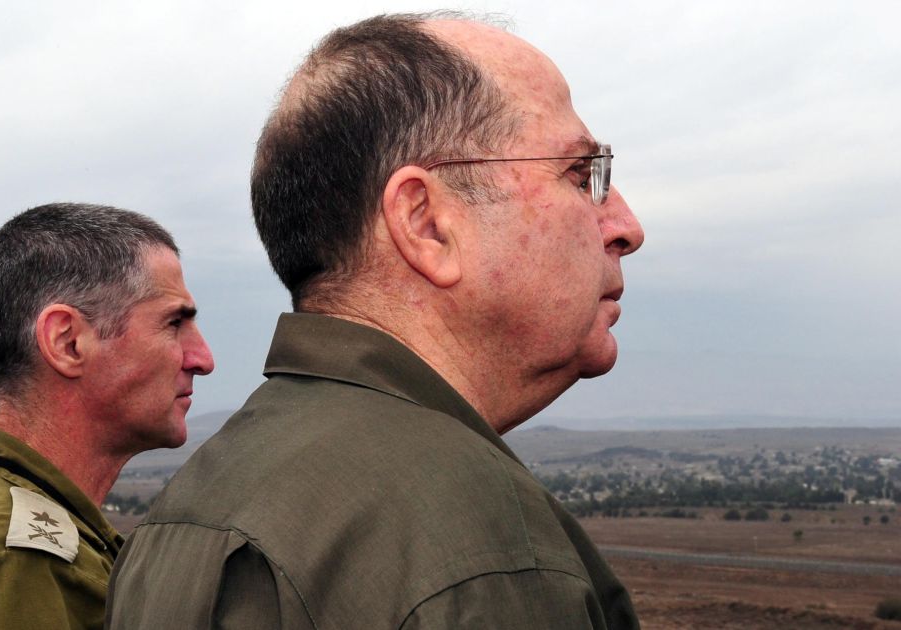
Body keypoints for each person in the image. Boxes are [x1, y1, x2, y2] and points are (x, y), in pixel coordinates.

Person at [107, 12, 645, 630]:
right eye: (581, 175)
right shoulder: (475, 544)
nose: (626, 227)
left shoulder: (182, 515)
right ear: (426, 224)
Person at [0, 203, 214, 629]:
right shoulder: (16, 564)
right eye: (173, 324)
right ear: (67, 342)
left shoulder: (7, 522)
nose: (203, 359)